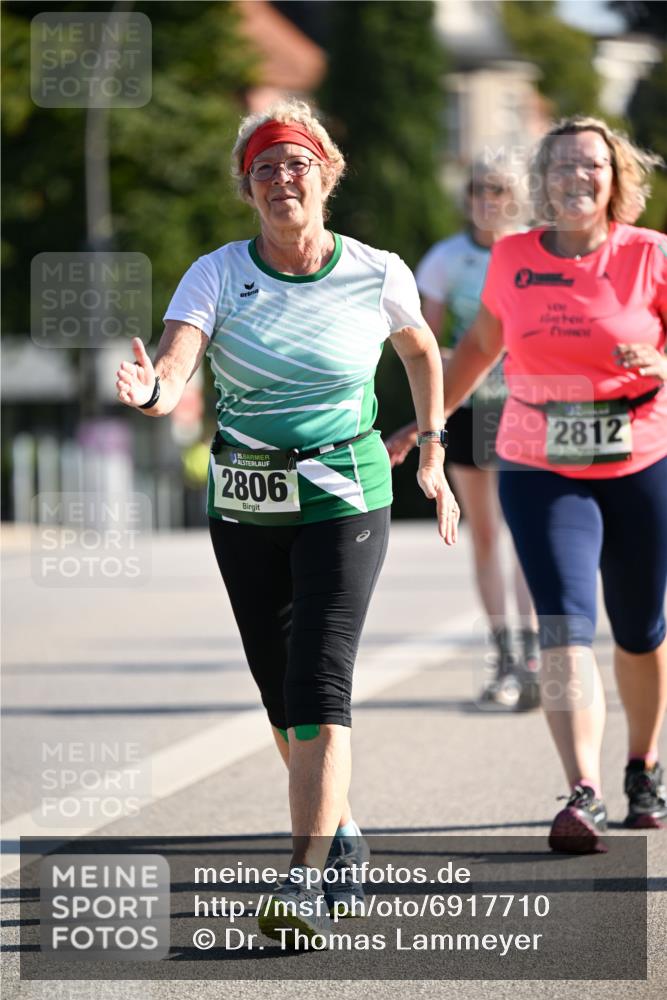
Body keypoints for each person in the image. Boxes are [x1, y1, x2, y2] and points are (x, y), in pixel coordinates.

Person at [115, 99, 460, 939]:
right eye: (263, 169)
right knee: (278, 691)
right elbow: (176, 361)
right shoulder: (216, 272)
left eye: (294, 163)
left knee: (319, 679)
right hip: (245, 500)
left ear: (326, 173)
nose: (279, 179)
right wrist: (154, 392)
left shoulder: (374, 270)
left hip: (346, 488)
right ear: (248, 189)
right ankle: (338, 828)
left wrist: (432, 448)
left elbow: (419, 350)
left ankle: (301, 879)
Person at [439, 116, 667, 853]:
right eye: (561, 165)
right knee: (563, 624)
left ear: (615, 178)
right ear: (541, 181)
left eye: (591, 165)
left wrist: (661, 367)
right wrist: (425, 419)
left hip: (641, 458)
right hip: (538, 458)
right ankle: (582, 791)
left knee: (637, 629)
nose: (576, 176)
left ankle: (641, 766)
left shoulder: (652, 257)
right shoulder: (511, 257)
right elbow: (479, 345)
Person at [386, 159, 540, 710]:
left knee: (529, 533)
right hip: (470, 403)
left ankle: (532, 654)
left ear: (516, 197)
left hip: (528, 404)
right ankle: (503, 654)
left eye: (497, 190)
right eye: (477, 190)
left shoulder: (533, 248)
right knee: (485, 535)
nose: (486, 200)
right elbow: (423, 340)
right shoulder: (447, 258)